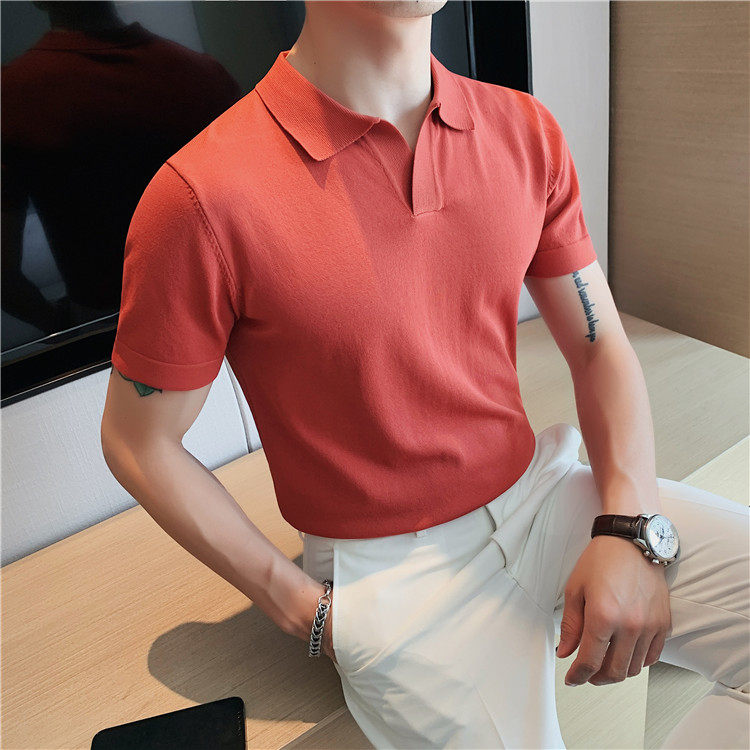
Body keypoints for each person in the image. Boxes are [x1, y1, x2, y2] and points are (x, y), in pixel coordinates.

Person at [101, 2, 749, 748]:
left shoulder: (524, 130)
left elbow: (598, 344)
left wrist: (630, 526)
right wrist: (304, 610)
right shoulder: (202, 195)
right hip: (391, 573)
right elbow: (138, 440)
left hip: (539, 493)